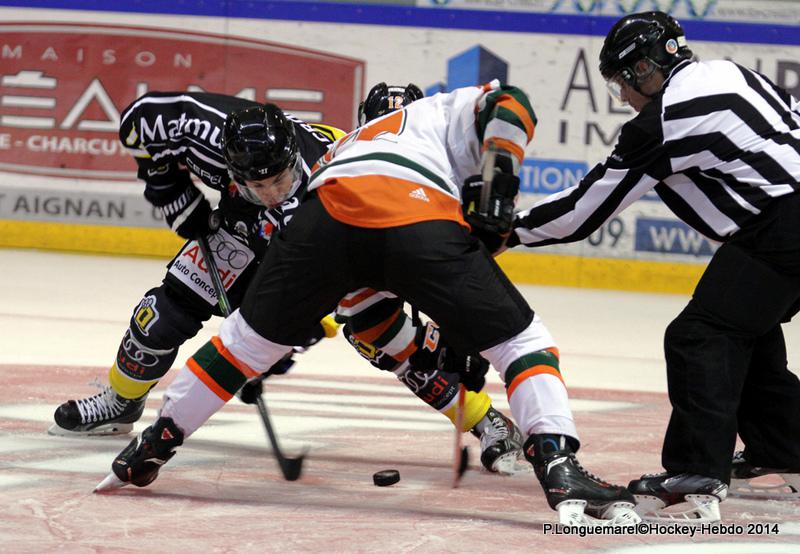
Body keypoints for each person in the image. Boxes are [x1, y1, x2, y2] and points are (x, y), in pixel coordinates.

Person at [98, 80, 639, 526]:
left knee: (241, 345)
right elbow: (514, 102)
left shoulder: (338, 152)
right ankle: (560, 464)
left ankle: (154, 444)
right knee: (521, 341)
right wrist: (499, 182)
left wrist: (437, 340)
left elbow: (368, 312)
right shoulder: (445, 114)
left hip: (324, 220)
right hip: (412, 212)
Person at [52, 86, 524, 474]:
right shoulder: (211, 132)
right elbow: (139, 118)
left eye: (281, 180)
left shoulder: (334, 183)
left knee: (380, 339)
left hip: (322, 236)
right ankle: (121, 401)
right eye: (260, 184)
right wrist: (171, 190)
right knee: (163, 315)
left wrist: (278, 343)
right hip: (245, 225)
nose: (274, 192)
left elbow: (328, 294)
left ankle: (487, 421)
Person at [505, 11, 800, 521]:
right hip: (780, 221)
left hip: (786, 223)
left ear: (646, 68)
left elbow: (583, 212)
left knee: (700, 336)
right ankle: (787, 450)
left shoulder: (663, 119)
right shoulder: (733, 73)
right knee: (744, 335)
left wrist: (503, 231)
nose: (622, 96)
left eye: (622, 81)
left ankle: (697, 473)